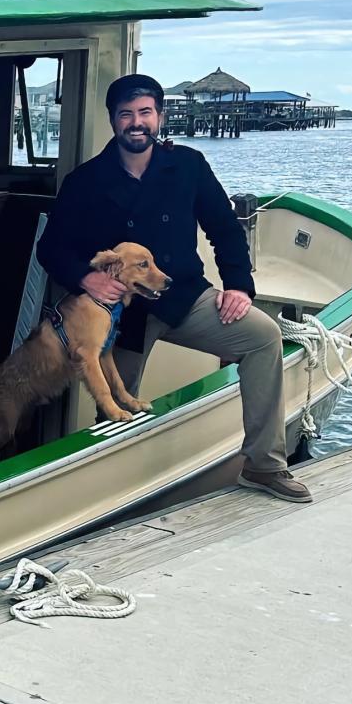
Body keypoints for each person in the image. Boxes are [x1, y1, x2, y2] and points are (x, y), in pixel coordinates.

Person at [36, 73, 309, 503]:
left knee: (263, 336)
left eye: (145, 112)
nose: (136, 122)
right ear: (113, 121)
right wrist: (86, 278)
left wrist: (238, 286)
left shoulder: (188, 165)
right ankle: (108, 499)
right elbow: (51, 249)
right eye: (126, 114)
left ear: (160, 116)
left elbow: (224, 227)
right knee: (113, 408)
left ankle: (263, 465)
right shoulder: (85, 180)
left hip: (184, 296)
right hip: (121, 314)